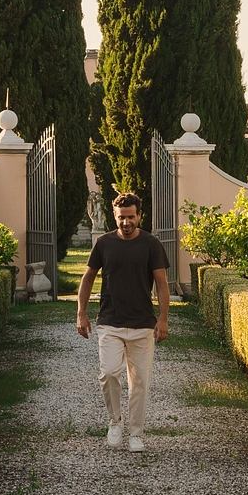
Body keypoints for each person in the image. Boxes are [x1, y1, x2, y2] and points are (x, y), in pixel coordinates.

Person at [76, 192, 169, 451]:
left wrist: (163, 319)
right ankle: (115, 422)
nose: (126, 222)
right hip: (110, 322)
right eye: (121, 218)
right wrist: (81, 313)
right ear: (114, 216)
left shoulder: (151, 244)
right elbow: (87, 278)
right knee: (108, 373)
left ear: (139, 216)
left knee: (139, 382)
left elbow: (161, 284)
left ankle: (136, 433)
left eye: (130, 217)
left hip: (142, 325)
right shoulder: (104, 244)